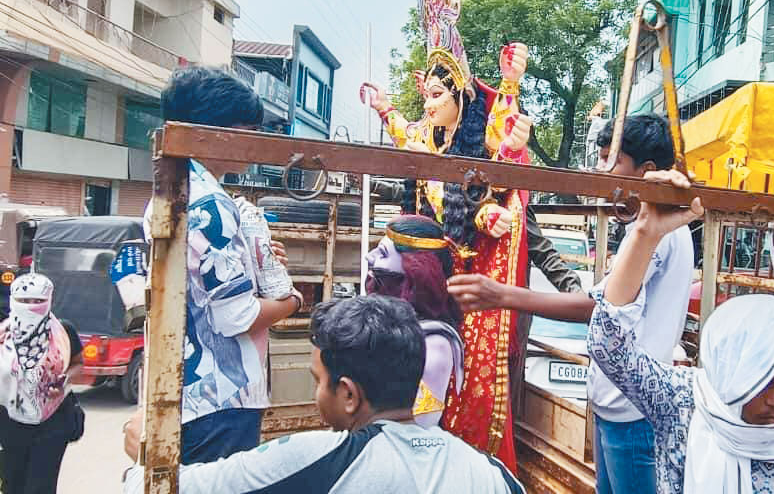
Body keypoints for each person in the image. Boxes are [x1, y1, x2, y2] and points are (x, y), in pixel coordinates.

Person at [449, 114, 696, 494]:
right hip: (617, 403)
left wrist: (501, 295)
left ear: (645, 170)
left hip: (633, 411)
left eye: (610, 159)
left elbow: (598, 309)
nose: (599, 169)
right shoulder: (644, 228)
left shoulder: (657, 234)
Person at [359, 0, 532, 468]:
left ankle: (461, 463)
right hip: (426, 281)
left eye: (436, 96)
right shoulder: (426, 138)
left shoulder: (478, 141)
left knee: (458, 373)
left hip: (465, 280)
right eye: (425, 96)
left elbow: (499, 169)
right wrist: (384, 107)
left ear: (460, 97)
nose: (428, 104)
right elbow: (403, 132)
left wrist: (510, 85)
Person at [588, 168, 774, 493]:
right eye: (760, 381)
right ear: (729, 372)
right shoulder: (685, 405)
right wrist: (645, 233)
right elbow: (609, 347)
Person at [122, 294, 524, 493]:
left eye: (318, 380)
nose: (316, 394)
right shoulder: (495, 475)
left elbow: (170, 488)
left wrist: (141, 458)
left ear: (349, 395)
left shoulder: (318, 456)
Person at [143, 66, 303, 465]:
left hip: (183, 390)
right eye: (249, 130)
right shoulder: (212, 206)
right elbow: (238, 317)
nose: (255, 142)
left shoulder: (175, 190)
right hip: (221, 399)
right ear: (216, 132)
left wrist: (251, 262)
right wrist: (294, 302)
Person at [365, 215, 465, 427]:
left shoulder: (433, 344)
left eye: (382, 253)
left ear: (414, 267)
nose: (369, 257)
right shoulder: (387, 322)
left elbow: (422, 422)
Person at [0, 273, 85, 494]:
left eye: (38, 301)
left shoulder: (63, 332)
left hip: (53, 422)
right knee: (12, 485)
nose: (31, 306)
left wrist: (64, 380)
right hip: (10, 422)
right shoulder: (3, 335)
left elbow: (78, 363)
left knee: (40, 487)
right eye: (24, 300)